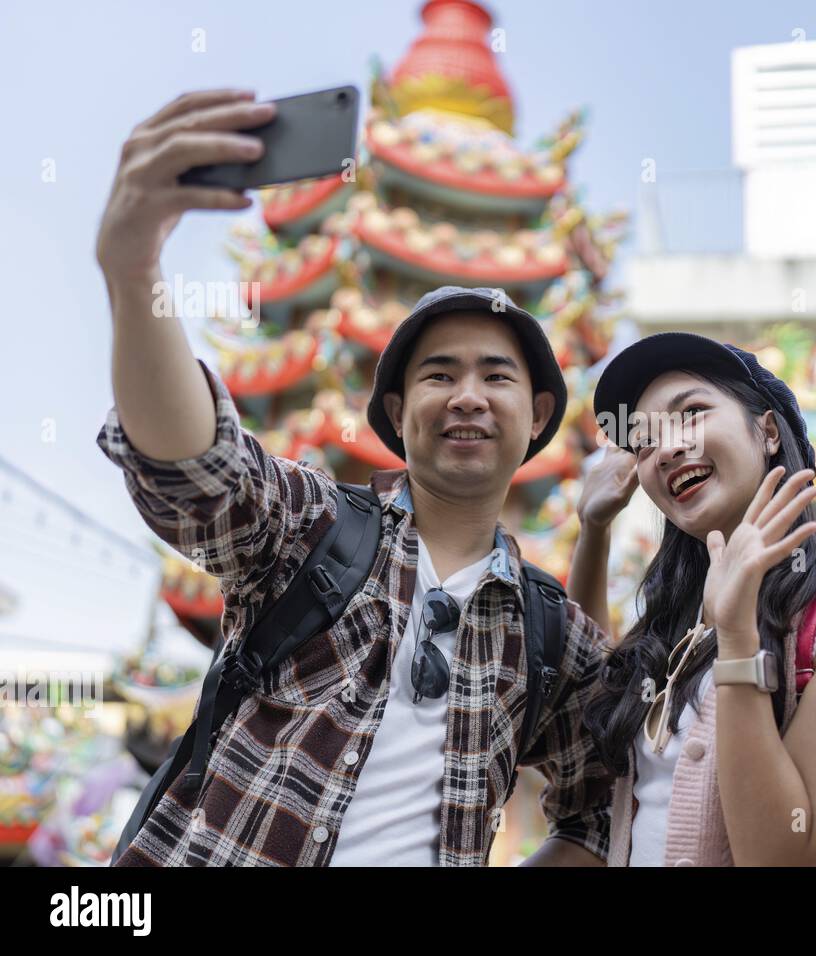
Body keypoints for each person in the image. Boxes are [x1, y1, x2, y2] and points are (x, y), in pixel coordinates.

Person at [96, 89, 611, 866]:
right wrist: (135, 273)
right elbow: (196, 471)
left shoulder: (553, 637)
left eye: (495, 377)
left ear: (538, 416)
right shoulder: (312, 528)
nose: (468, 395)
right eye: (440, 375)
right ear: (398, 415)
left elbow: (595, 809)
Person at [572, 332, 816, 866]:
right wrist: (593, 530)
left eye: (691, 412)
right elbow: (584, 699)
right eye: (644, 442)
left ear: (766, 431)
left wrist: (738, 640)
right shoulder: (674, 620)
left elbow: (781, 851)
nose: (667, 449)